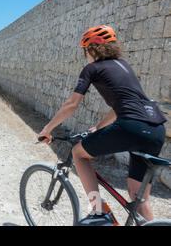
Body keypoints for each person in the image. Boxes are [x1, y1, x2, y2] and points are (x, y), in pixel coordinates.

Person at [38, 25, 167, 226]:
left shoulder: (92, 68)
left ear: (90, 49)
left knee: (78, 153)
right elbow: (122, 105)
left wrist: (47, 129)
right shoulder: (123, 65)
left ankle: (98, 211)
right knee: (139, 198)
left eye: (85, 51)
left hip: (131, 127)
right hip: (156, 129)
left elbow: (71, 104)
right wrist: (98, 127)